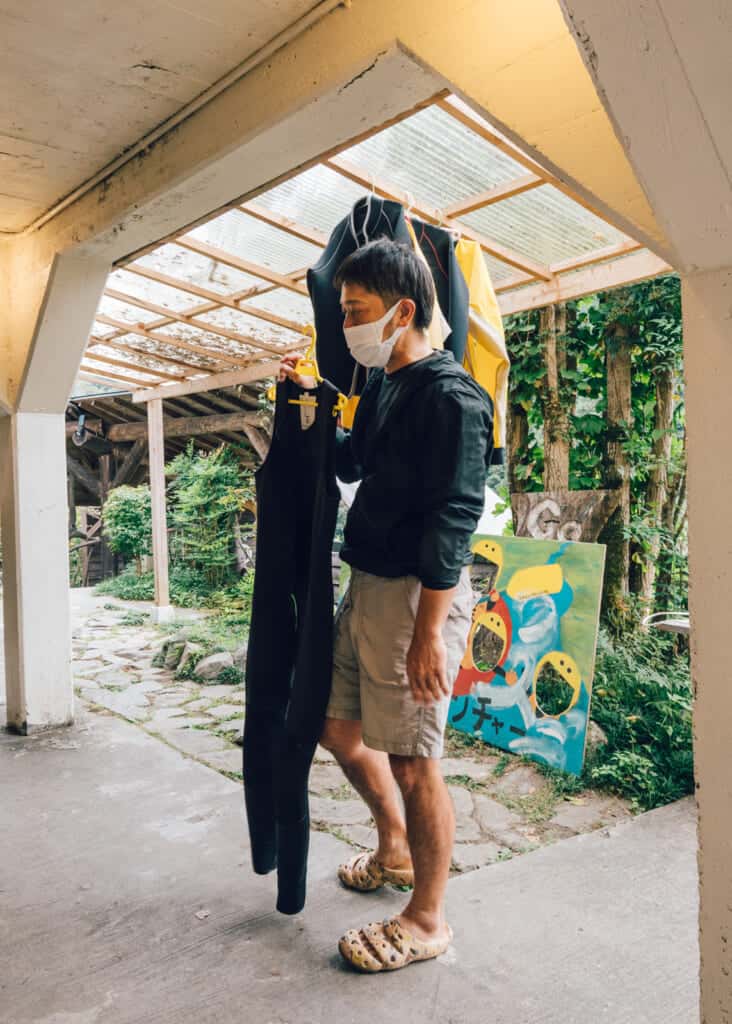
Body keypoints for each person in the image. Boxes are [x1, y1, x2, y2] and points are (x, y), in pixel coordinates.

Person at [279, 238, 493, 973]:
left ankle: (428, 918)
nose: (346, 326)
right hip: (368, 585)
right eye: (343, 312)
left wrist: (430, 635)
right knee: (337, 729)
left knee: (413, 763)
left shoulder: (453, 398)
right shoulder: (385, 383)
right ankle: (395, 847)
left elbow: (456, 519)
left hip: (416, 599)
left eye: (355, 311)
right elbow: (351, 459)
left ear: (402, 311)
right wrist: (310, 399)